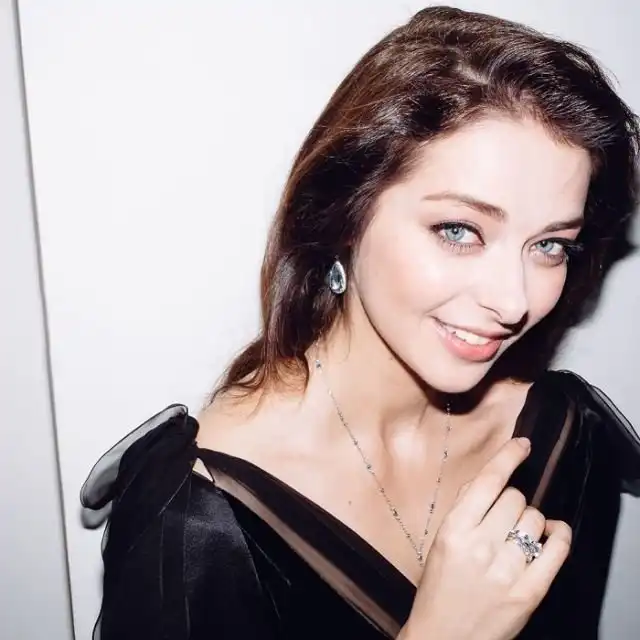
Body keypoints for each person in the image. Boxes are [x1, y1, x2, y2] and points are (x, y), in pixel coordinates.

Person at [81, 5, 640, 639]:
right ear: (345, 214)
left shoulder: (563, 437)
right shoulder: (200, 521)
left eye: (550, 245)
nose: (514, 301)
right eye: (459, 231)